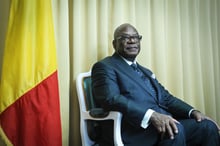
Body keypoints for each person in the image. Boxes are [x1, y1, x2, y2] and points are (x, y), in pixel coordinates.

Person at [91, 23, 220, 146]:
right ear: (114, 44)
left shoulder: (145, 72)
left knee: (207, 126)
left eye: (136, 37)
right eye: (125, 37)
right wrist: (152, 115)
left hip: (162, 125)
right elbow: (111, 99)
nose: (132, 41)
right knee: (174, 130)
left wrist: (193, 112)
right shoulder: (105, 66)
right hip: (134, 130)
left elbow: (166, 99)